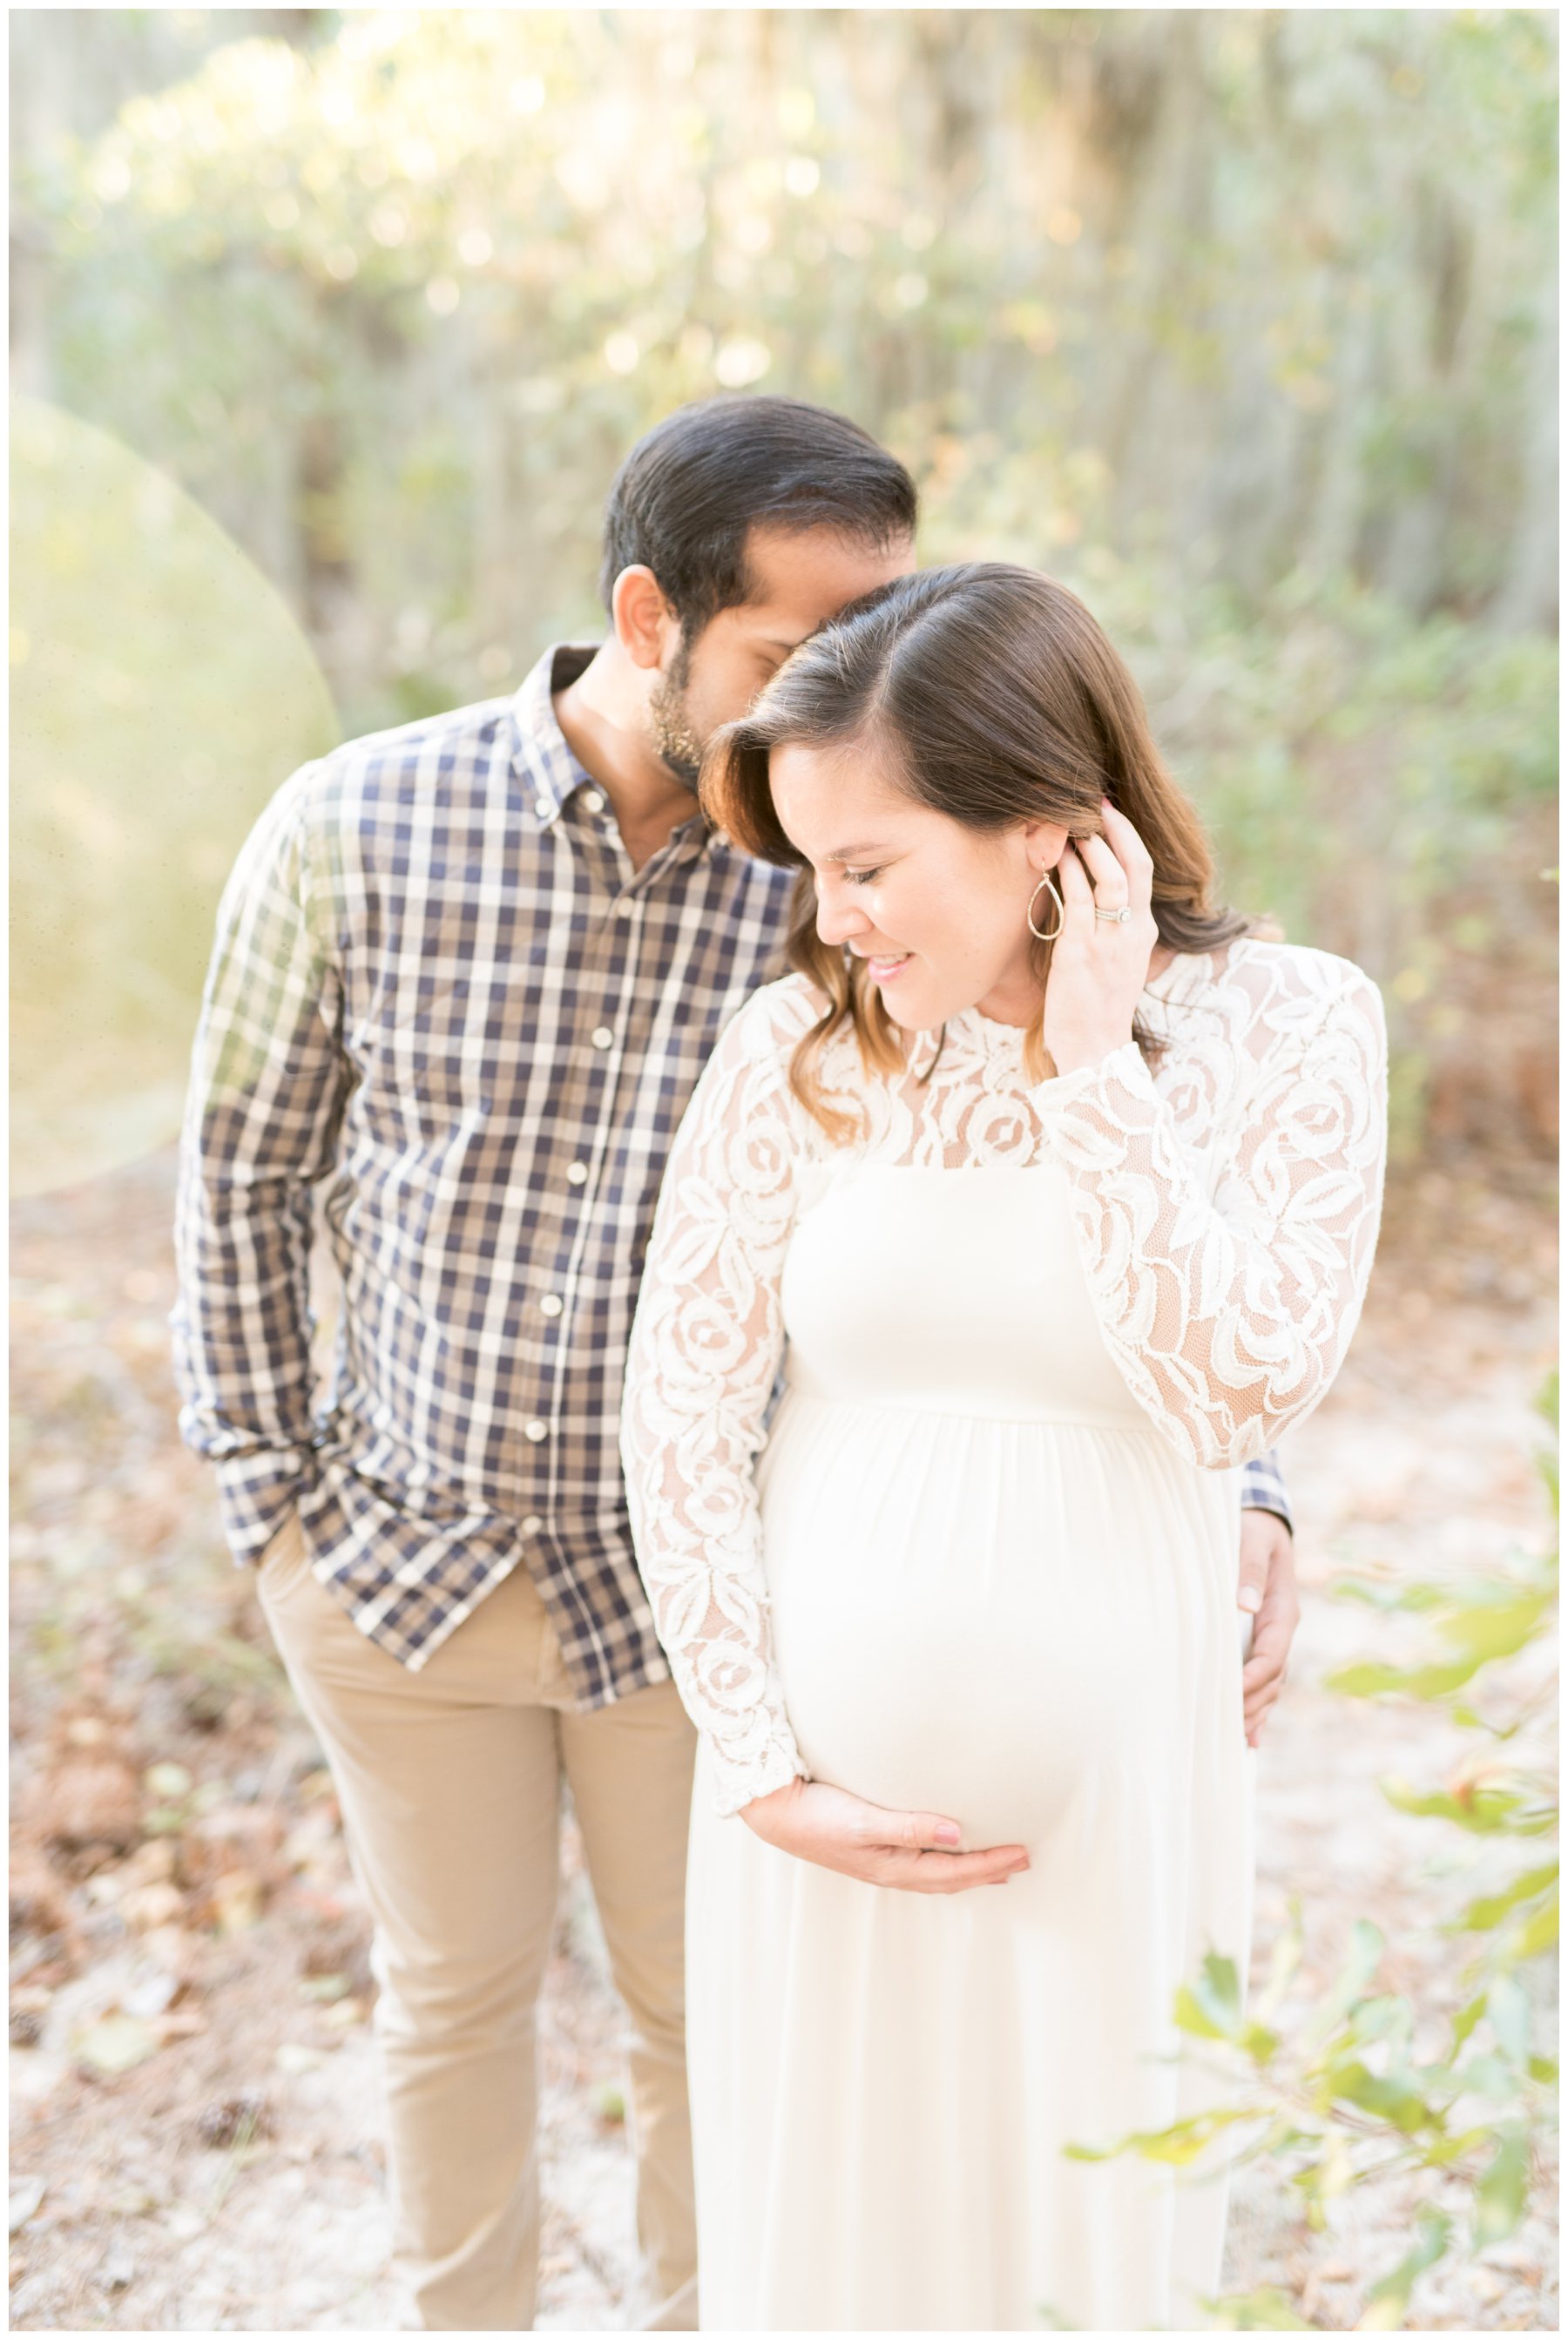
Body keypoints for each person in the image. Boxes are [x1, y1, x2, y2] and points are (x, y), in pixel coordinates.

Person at [171, 400, 1300, 2332]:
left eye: (883, 637)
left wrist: (1252, 1488)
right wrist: (273, 1508)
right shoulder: (352, 827)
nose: (847, 697)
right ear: (650, 618)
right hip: (397, 1558)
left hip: (697, 1589)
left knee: (715, 2010)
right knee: (450, 2004)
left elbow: (1085, 1210)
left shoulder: (847, 878)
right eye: (797, 654)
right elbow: (244, 1176)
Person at [620, 562, 1387, 2332]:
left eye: (872, 866)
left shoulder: (1299, 1030)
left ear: (1051, 831)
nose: (841, 917)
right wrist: (757, 1763)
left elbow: (1231, 1390)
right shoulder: (797, 1051)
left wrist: (1093, 1073)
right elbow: (679, 1408)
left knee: (1090, 2269)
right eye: (814, 869)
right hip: (808, 1825)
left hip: (1115, 1820)